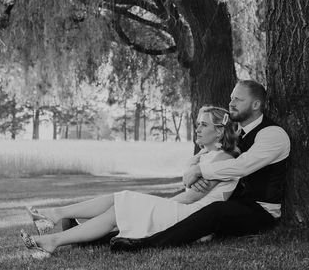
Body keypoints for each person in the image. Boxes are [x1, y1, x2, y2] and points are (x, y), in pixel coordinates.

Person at [20, 105, 239, 260]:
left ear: (219, 131)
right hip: (182, 209)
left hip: (191, 218)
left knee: (124, 202)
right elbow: (191, 188)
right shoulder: (204, 156)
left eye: (204, 124)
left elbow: (192, 197)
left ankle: (54, 228)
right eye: (198, 123)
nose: (198, 129)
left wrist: (157, 203)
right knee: (120, 205)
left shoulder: (224, 159)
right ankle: (54, 225)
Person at [112, 79, 291, 251]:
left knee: (215, 211)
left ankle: (147, 244)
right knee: (183, 208)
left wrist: (200, 171)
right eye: (231, 98)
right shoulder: (237, 133)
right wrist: (191, 172)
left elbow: (242, 166)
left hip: (260, 211)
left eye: (239, 99)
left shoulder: (272, 134)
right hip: (234, 201)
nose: (231, 103)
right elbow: (201, 157)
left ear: (256, 105)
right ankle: (113, 234)